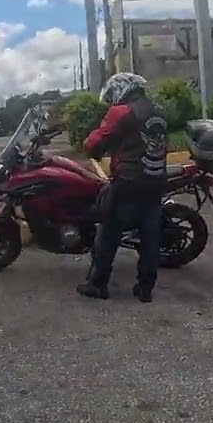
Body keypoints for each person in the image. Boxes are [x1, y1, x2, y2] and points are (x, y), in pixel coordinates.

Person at [76, 72, 170, 303]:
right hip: (156, 180)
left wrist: (93, 147)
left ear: (122, 89)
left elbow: (95, 144)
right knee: (149, 236)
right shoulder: (157, 109)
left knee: (108, 232)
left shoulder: (122, 112)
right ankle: (145, 288)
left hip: (129, 181)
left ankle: (98, 284)